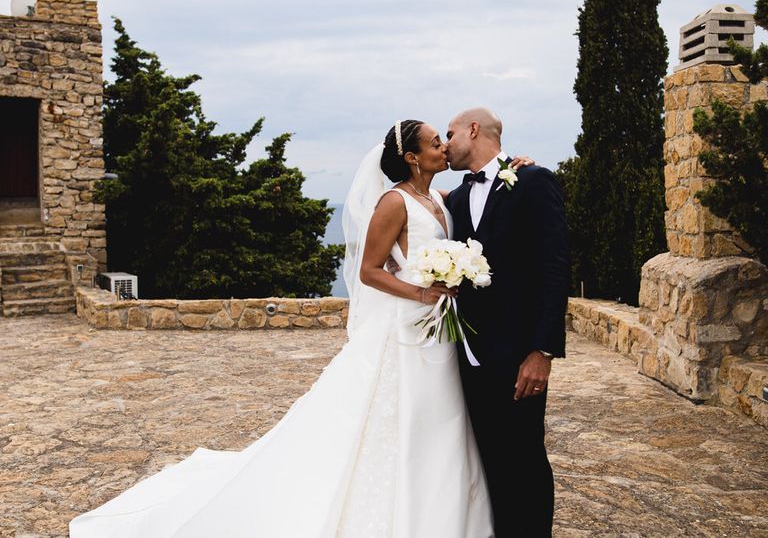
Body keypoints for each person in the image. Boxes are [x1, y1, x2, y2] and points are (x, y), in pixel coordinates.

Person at [71, 119, 528, 538]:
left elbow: (484, 193)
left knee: (440, 420)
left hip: (438, 332)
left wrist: (516, 167)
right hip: (406, 328)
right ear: (411, 156)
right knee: (404, 414)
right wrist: (422, 294)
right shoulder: (394, 202)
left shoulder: (439, 200)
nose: (443, 148)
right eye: (434, 143)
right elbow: (370, 271)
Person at [444, 107, 570, 538]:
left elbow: (555, 268)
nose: (445, 145)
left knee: (525, 459)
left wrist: (543, 351)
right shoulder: (455, 201)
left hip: (521, 356)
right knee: (489, 459)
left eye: (450, 134)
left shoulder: (533, 181)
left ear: (474, 130)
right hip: (469, 357)